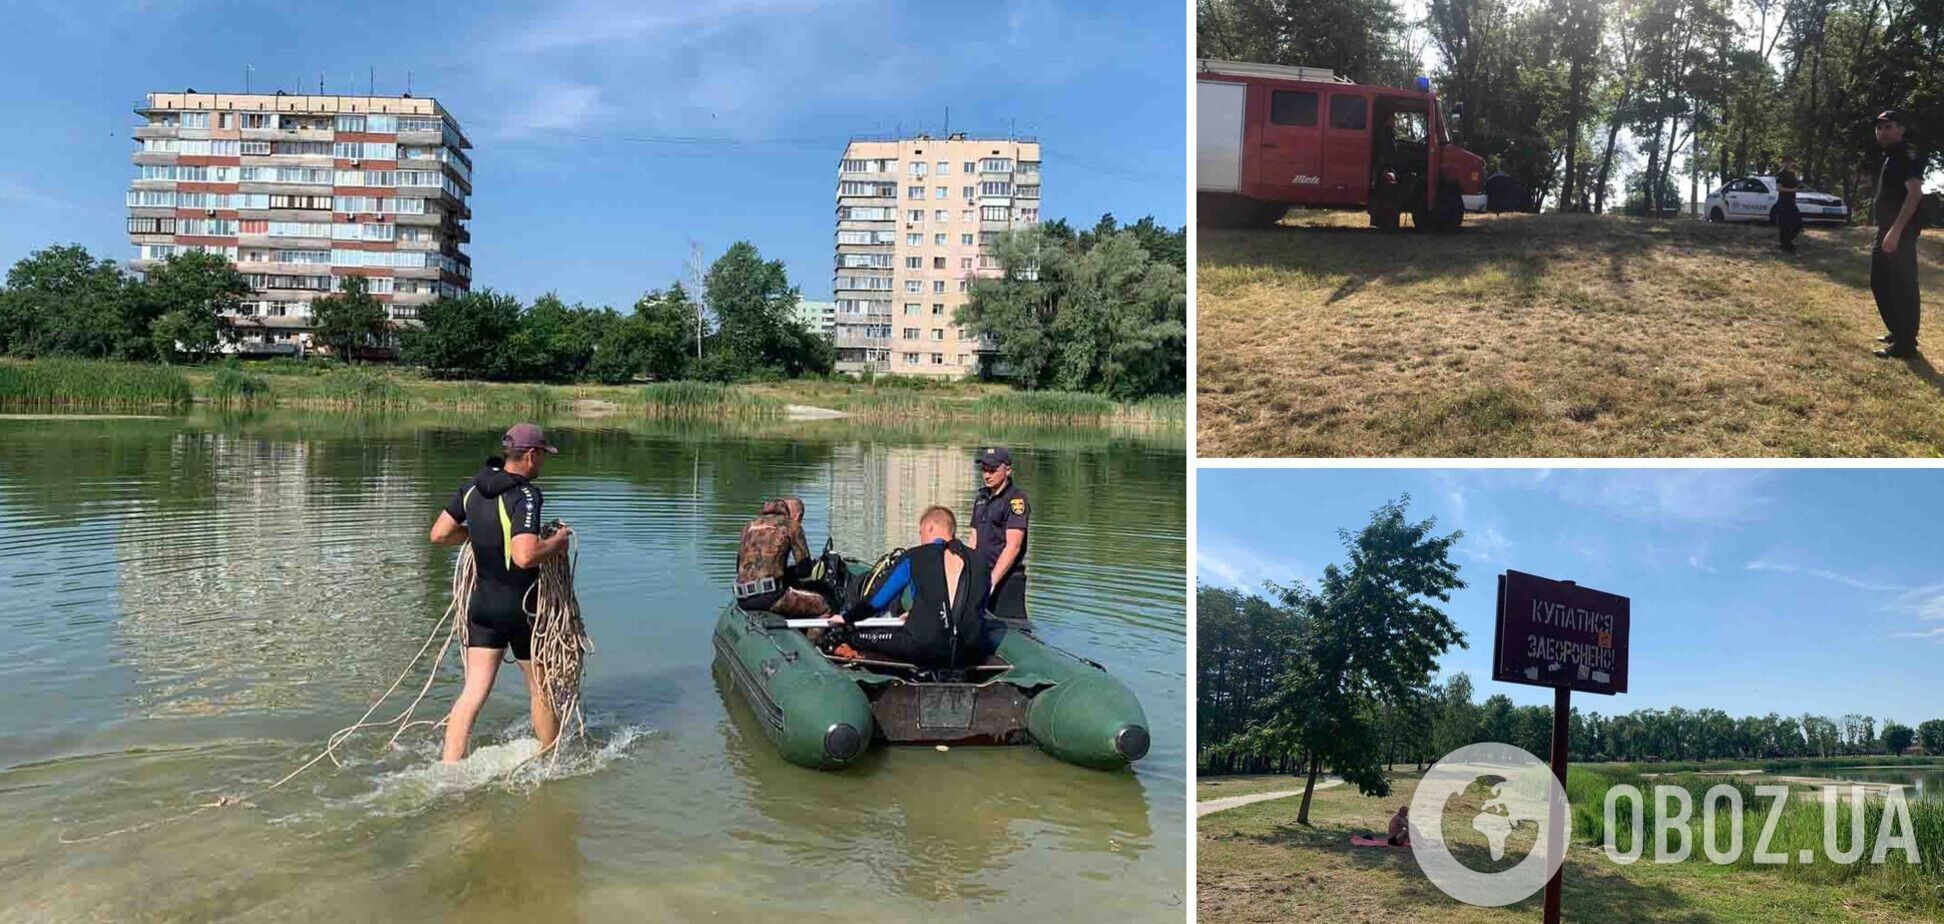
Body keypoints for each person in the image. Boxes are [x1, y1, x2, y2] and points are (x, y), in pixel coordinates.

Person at [427, 424, 573, 763]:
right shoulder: (525, 496)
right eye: (542, 457)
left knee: (473, 691)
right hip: (521, 609)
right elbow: (524, 555)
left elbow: (439, 534)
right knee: (541, 688)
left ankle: (450, 768)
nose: (542, 465)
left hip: (481, 607)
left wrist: (478, 535)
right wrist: (557, 543)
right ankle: (549, 763)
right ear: (532, 455)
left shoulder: (471, 488)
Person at [834, 505, 988, 668]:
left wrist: (845, 618)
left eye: (920, 533)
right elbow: (978, 605)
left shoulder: (913, 557)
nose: (920, 539)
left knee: (852, 635)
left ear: (929, 527)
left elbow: (875, 603)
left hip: (924, 646)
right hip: (970, 649)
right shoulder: (981, 561)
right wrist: (920, 613)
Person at [1871, 110, 1927, 359]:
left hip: (1899, 232)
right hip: (1888, 230)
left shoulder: (1905, 154)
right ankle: (1899, 331)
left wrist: (1895, 231)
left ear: (1900, 130)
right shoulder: (1892, 155)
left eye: (1888, 126)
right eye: (1879, 127)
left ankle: (1905, 344)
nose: (1882, 131)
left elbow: (1914, 194)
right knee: (1882, 281)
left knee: (1901, 285)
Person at [734, 496, 830, 617]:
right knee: (824, 606)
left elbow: (738, 567)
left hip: (742, 599)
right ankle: (810, 636)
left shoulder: (748, 527)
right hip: (771, 598)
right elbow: (804, 570)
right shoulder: (791, 526)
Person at [967, 447, 1030, 623]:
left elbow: (1014, 546)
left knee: (1016, 631)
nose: (987, 475)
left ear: (1008, 470)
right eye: (984, 470)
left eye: (993, 470)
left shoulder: (1016, 500)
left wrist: (993, 581)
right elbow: (974, 538)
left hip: (1007, 581)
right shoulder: (981, 498)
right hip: (981, 575)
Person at [1775, 157, 1803, 254]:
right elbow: (1779, 188)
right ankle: (1785, 245)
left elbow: (1797, 185)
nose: (1789, 164)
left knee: (1798, 224)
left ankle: (1787, 242)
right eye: (1786, 162)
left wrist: (1797, 188)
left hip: (1791, 201)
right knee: (1785, 225)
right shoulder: (1780, 174)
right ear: (1783, 163)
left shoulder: (1793, 174)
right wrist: (1792, 190)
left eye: (1790, 162)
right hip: (1783, 201)